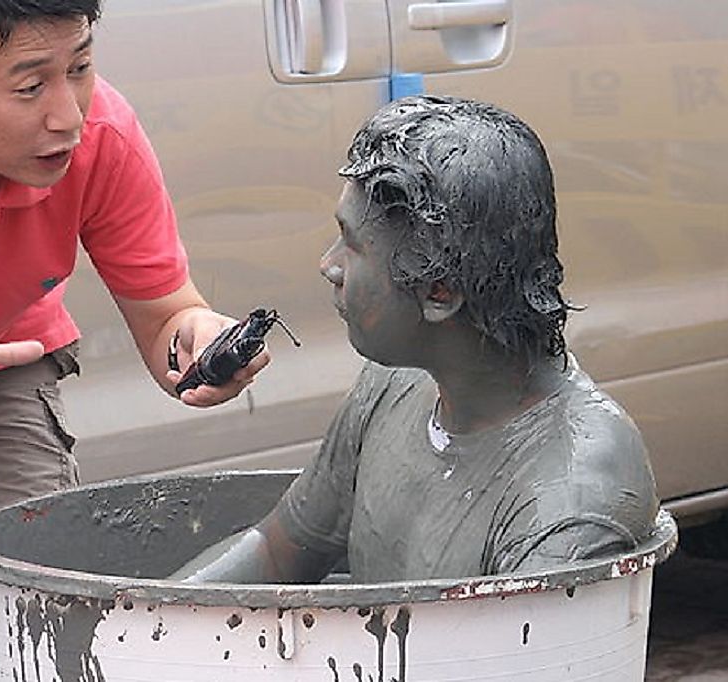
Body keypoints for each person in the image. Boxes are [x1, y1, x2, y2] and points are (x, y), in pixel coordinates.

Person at [170, 95, 658, 584]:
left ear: (439, 290)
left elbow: (505, 662)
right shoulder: (395, 382)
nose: (329, 265)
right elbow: (279, 551)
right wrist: (142, 632)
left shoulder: (569, 496)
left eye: (353, 244)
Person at [0, 1, 268, 679]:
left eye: (79, 67)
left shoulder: (100, 133)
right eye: (30, 86)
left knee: (30, 613)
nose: (68, 114)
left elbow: (167, 313)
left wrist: (197, 340)